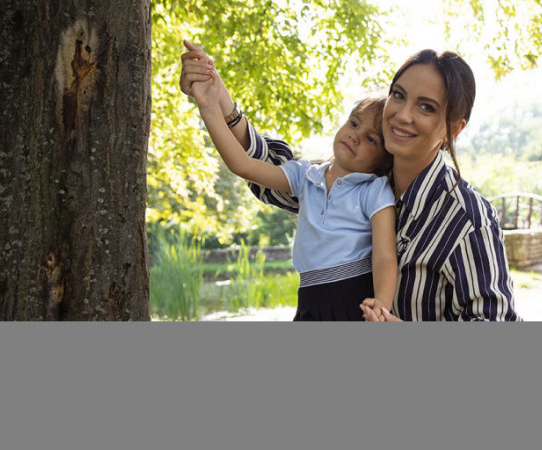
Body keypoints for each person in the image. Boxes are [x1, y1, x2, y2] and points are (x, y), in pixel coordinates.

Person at [180, 41, 519, 321]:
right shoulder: (356, 178)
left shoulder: (467, 219)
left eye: (426, 107)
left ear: (453, 129)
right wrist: (216, 98)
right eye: (398, 95)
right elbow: (267, 167)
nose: (402, 115)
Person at [189, 56, 398, 321]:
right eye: (354, 123)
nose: (355, 136)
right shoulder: (305, 176)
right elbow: (243, 165)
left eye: (370, 139)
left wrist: (381, 306)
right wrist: (209, 107)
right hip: (309, 299)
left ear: (383, 159)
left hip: (354, 301)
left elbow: (384, 256)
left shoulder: (375, 190)